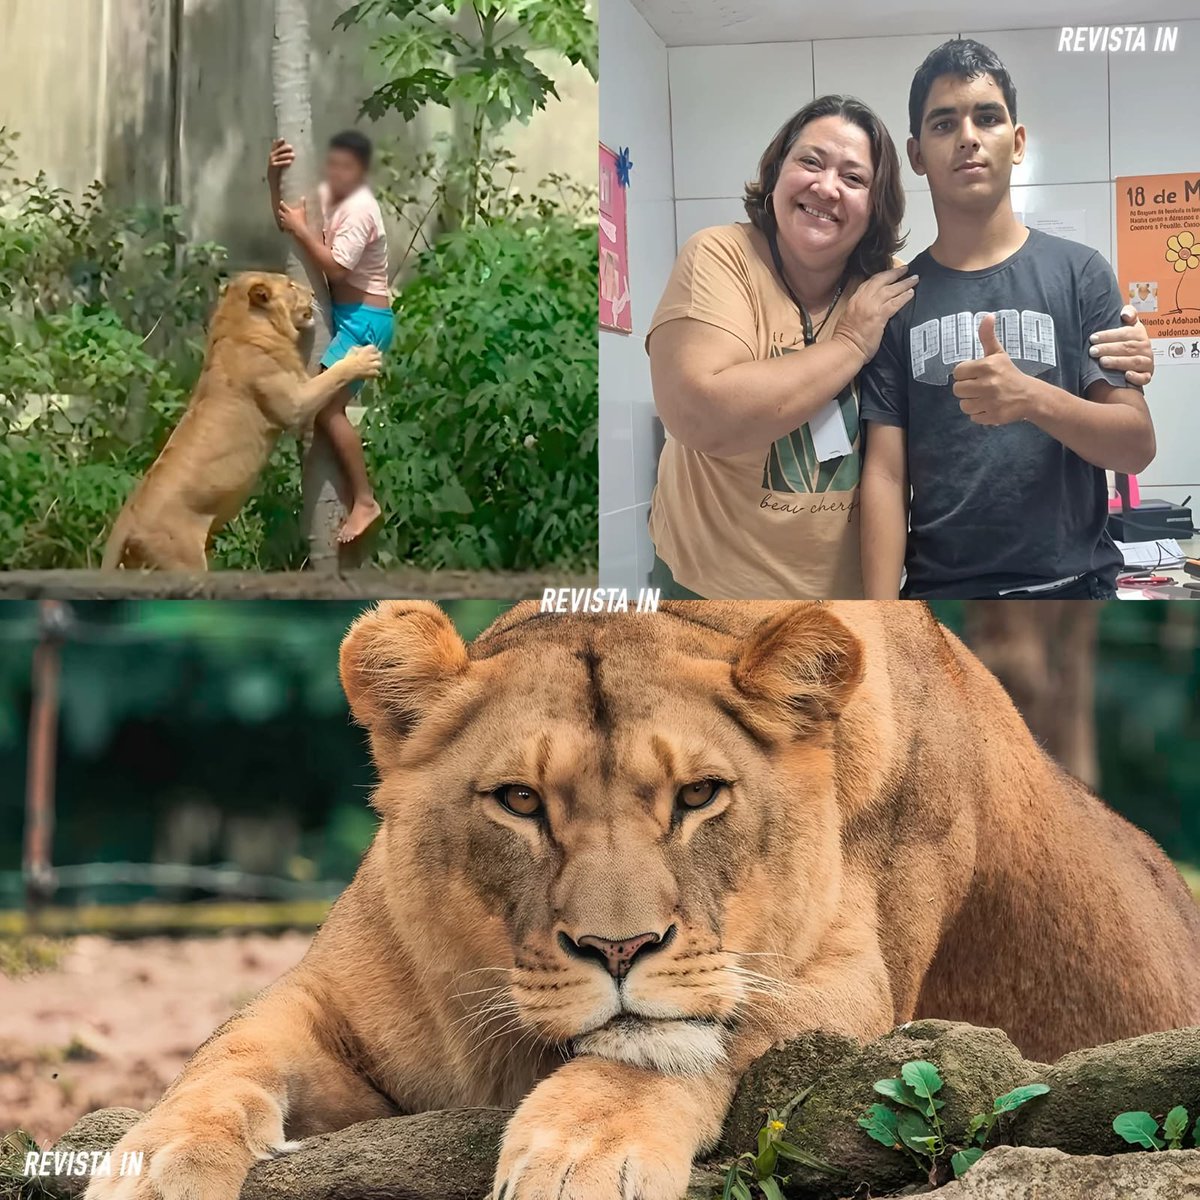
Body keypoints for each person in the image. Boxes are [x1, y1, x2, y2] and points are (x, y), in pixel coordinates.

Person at [644, 96, 1152, 600]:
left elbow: (900, 462)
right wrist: (849, 343)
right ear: (777, 170)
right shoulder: (721, 256)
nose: (827, 188)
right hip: (713, 592)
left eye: (854, 178)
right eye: (811, 162)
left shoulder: (891, 289)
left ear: (875, 205)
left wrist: (1121, 350)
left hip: (843, 601)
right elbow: (699, 414)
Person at [860, 39, 1156, 600]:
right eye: (943, 124)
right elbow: (886, 476)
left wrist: (1033, 399)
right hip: (941, 604)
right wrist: (881, 623)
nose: (968, 137)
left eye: (987, 117)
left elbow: (1134, 446)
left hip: (1071, 594)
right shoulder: (898, 299)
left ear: (1017, 143)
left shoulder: (1081, 274)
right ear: (917, 154)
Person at [268, 130, 393, 544]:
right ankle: (358, 497)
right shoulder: (327, 196)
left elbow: (337, 268)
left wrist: (304, 231)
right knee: (324, 407)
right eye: (332, 164)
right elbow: (287, 221)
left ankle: (364, 500)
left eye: (346, 167)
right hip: (345, 316)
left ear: (360, 172)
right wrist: (274, 177)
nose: (336, 173)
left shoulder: (360, 208)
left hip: (366, 319)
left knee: (325, 408)